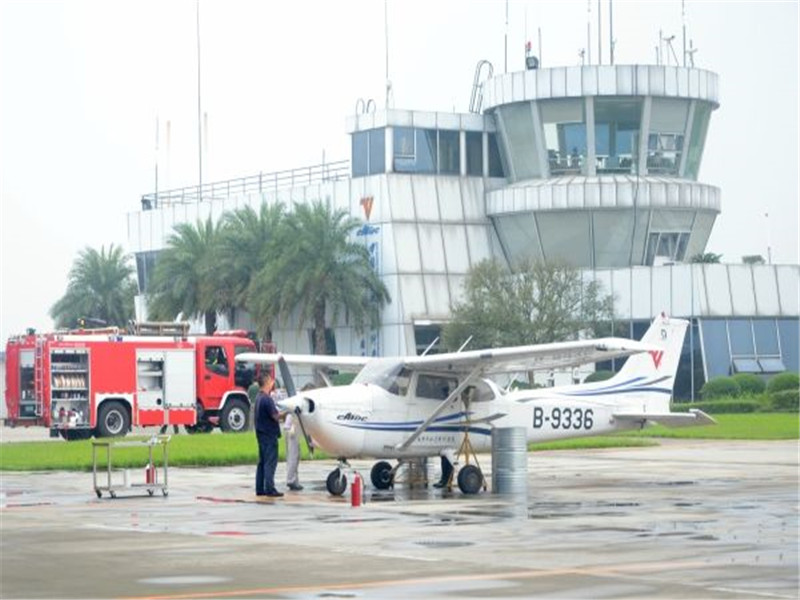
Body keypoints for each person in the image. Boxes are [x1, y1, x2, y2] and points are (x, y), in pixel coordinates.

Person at [254, 373, 283, 497]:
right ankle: (270, 488)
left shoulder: (258, 398)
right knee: (270, 462)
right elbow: (275, 416)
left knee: (262, 462)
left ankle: (260, 488)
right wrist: (288, 413)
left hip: (261, 435)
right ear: (267, 383)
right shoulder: (267, 399)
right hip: (269, 435)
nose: (273, 383)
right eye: (271, 381)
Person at [283, 411, 303, 491]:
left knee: (294, 456)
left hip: (290, 430)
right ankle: (291, 480)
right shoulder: (294, 410)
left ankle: (294, 480)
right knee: (293, 457)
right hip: (292, 431)